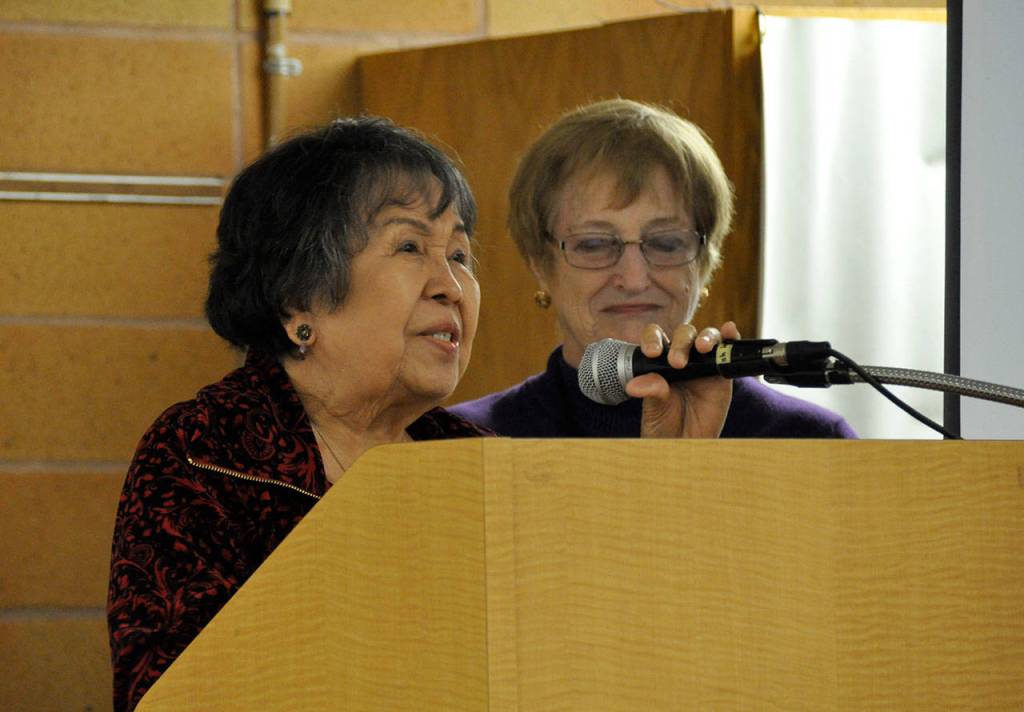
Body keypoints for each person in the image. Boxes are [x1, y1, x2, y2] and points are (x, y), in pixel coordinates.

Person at [107, 117, 491, 711]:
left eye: (461, 254)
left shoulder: (475, 459)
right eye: (411, 246)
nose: (453, 286)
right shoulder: (205, 451)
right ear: (300, 299)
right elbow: (170, 690)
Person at [451, 99, 856, 438]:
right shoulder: (467, 440)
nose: (634, 279)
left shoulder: (807, 440)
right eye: (594, 245)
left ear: (705, 263)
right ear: (540, 265)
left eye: (666, 243)